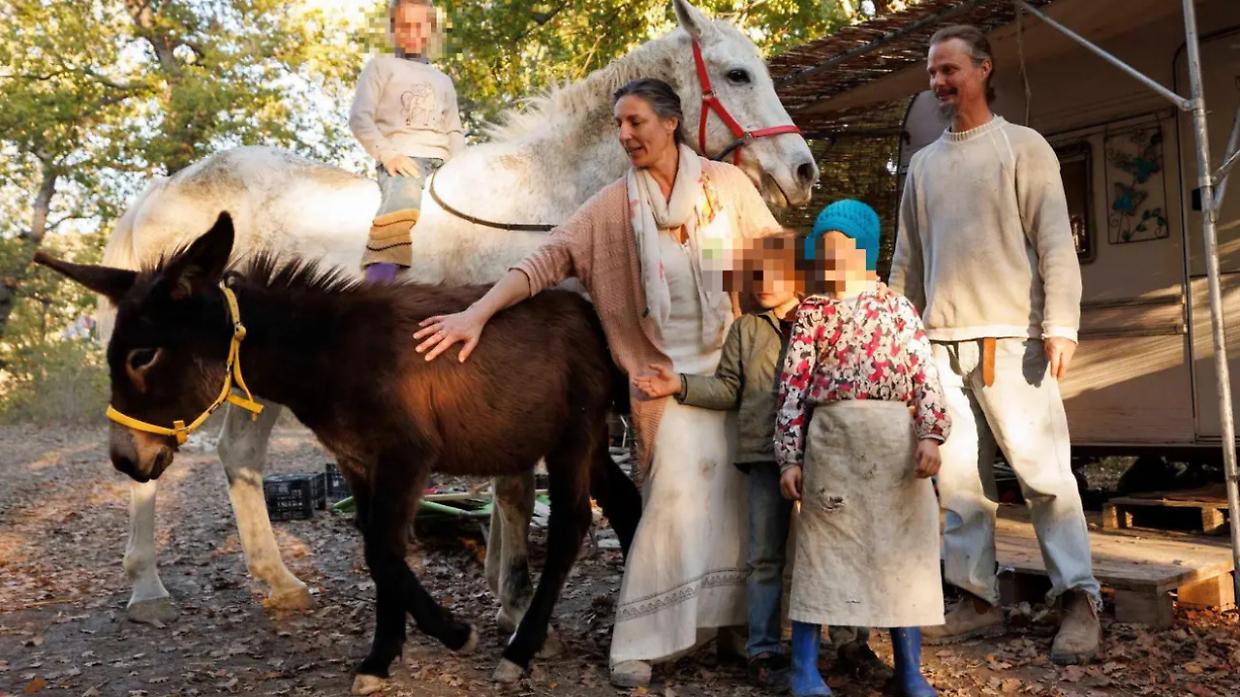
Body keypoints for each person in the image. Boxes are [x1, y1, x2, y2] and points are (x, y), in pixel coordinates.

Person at [411, 78, 783, 688]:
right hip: (659, 375)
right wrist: (475, 313)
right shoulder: (613, 207)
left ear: (671, 123)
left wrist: (836, 307)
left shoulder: (727, 186)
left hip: (734, 367)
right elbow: (545, 260)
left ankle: (731, 627)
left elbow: (778, 256)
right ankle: (645, 638)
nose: (625, 135)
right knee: (672, 498)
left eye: (636, 122)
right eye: (619, 125)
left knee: (736, 502)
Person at [889, 25, 1101, 664]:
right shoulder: (924, 165)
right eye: (932, 72)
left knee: (1044, 477)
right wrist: (898, 338)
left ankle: (1079, 600)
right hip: (939, 346)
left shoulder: (1022, 147)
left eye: (949, 69)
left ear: (983, 69)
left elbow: (1055, 243)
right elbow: (906, 262)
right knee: (958, 483)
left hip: (1013, 341)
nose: (938, 82)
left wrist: (1060, 324)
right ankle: (977, 598)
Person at [775, 199, 949, 697]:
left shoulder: (898, 309)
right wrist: (789, 456)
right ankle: (804, 668)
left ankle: (909, 669)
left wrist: (931, 434)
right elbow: (792, 386)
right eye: (823, 249)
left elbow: (925, 375)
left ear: (866, 252)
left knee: (901, 551)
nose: (828, 259)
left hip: (894, 449)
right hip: (832, 445)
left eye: (840, 249)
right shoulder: (812, 313)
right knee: (822, 553)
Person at [349, 0, 465, 283]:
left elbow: (454, 131)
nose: (412, 32)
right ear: (393, 29)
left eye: (419, 25)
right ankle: (379, 277)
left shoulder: (443, 80)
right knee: (405, 196)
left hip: (443, 163)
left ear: (431, 29)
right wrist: (387, 154)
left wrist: (461, 166)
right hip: (404, 159)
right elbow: (360, 118)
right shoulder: (381, 67)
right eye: (404, 26)